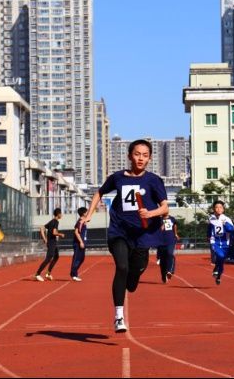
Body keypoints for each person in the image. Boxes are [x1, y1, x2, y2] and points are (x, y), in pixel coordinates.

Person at [83, 139, 169, 333]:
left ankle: (134, 276)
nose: (140, 158)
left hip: (142, 235)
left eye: (145, 155)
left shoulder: (153, 180)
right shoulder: (118, 177)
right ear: (130, 155)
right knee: (121, 267)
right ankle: (119, 317)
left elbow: (165, 207)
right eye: (137, 154)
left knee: (134, 277)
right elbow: (99, 193)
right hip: (119, 231)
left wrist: (150, 213)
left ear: (150, 158)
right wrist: (89, 214)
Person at [209, 200, 234, 285]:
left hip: (225, 243)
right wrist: (210, 240)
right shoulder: (211, 218)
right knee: (220, 256)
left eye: (220, 207)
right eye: (216, 207)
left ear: (223, 209)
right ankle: (216, 269)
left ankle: (219, 275)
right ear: (213, 209)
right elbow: (210, 230)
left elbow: (231, 229)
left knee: (221, 261)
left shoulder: (226, 219)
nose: (218, 209)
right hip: (215, 242)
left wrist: (225, 224)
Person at [34, 208, 65, 281]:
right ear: (58, 214)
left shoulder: (51, 221)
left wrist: (45, 239)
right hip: (52, 243)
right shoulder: (56, 222)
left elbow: (41, 228)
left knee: (56, 256)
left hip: (52, 242)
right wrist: (60, 234)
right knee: (48, 259)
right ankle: (37, 274)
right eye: (61, 213)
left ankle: (48, 273)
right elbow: (54, 233)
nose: (62, 215)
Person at [157, 213, 179, 283]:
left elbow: (175, 225)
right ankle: (163, 275)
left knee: (170, 253)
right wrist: (162, 226)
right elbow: (157, 230)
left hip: (171, 240)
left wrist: (175, 234)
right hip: (161, 242)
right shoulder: (159, 220)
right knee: (162, 261)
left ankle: (170, 271)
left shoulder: (172, 218)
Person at [70, 207, 88, 282]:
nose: (87, 213)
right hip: (78, 244)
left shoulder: (83, 221)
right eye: (86, 212)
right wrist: (81, 242)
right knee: (77, 258)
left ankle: (74, 272)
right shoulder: (80, 222)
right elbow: (76, 232)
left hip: (82, 243)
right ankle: (74, 274)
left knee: (82, 258)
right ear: (83, 213)